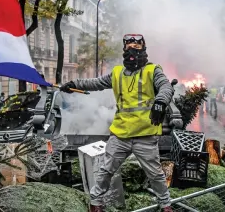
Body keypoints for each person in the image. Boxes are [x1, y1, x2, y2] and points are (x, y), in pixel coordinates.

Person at [60, 34, 173, 212]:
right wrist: (74, 83)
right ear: (124, 50)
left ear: (143, 49)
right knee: (105, 170)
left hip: (145, 134)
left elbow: (166, 87)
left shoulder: (153, 71)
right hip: (120, 134)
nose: (132, 52)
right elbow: (96, 83)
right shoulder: (117, 73)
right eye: (129, 48)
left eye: (136, 48)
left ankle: (166, 206)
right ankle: (95, 203)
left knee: (155, 175)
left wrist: (160, 102)